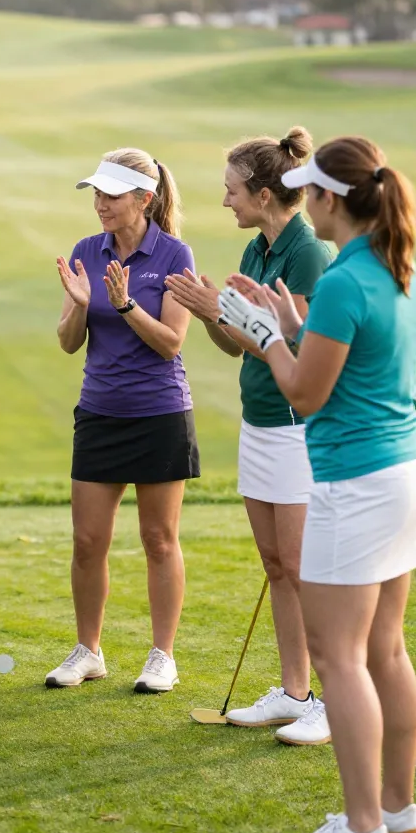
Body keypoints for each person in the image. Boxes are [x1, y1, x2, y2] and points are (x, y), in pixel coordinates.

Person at [218, 136, 416, 833]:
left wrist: (267, 333)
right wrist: (297, 328)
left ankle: (362, 831)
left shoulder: (341, 279)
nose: (310, 203)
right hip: (400, 476)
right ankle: (397, 809)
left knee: (342, 661)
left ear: (332, 200)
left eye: (314, 192)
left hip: (353, 483)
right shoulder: (397, 268)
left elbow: (303, 388)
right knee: (387, 651)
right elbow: (347, 356)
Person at [165, 127, 333, 746]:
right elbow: (242, 345)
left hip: (295, 427)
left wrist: (226, 313)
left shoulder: (307, 252)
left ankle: (331, 700)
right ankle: (295, 693)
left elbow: (300, 350)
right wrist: (213, 313)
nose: (225, 201)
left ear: (264, 194)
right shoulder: (255, 252)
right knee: (275, 565)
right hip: (258, 421)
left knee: (301, 565)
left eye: (232, 191)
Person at [48, 148, 197, 694]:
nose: (101, 203)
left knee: (159, 539)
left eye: (112, 194)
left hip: (159, 414)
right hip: (99, 413)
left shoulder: (175, 254)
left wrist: (128, 305)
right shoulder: (87, 251)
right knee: (88, 542)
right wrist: (84, 305)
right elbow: (67, 343)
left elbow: (172, 343)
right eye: (97, 193)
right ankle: (89, 651)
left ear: (144, 199)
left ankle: (163, 655)